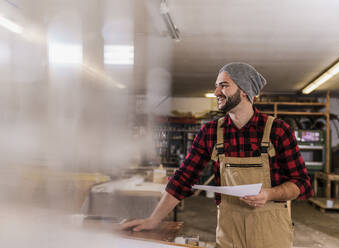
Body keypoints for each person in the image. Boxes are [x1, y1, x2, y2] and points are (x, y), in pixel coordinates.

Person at [121, 62, 313, 248]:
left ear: (244, 90)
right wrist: (154, 219)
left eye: (224, 85)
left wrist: (270, 194)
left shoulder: (278, 130)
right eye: (216, 86)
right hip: (229, 235)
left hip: (271, 234)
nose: (216, 93)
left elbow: (302, 183)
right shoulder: (211, 132)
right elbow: (183, 178)